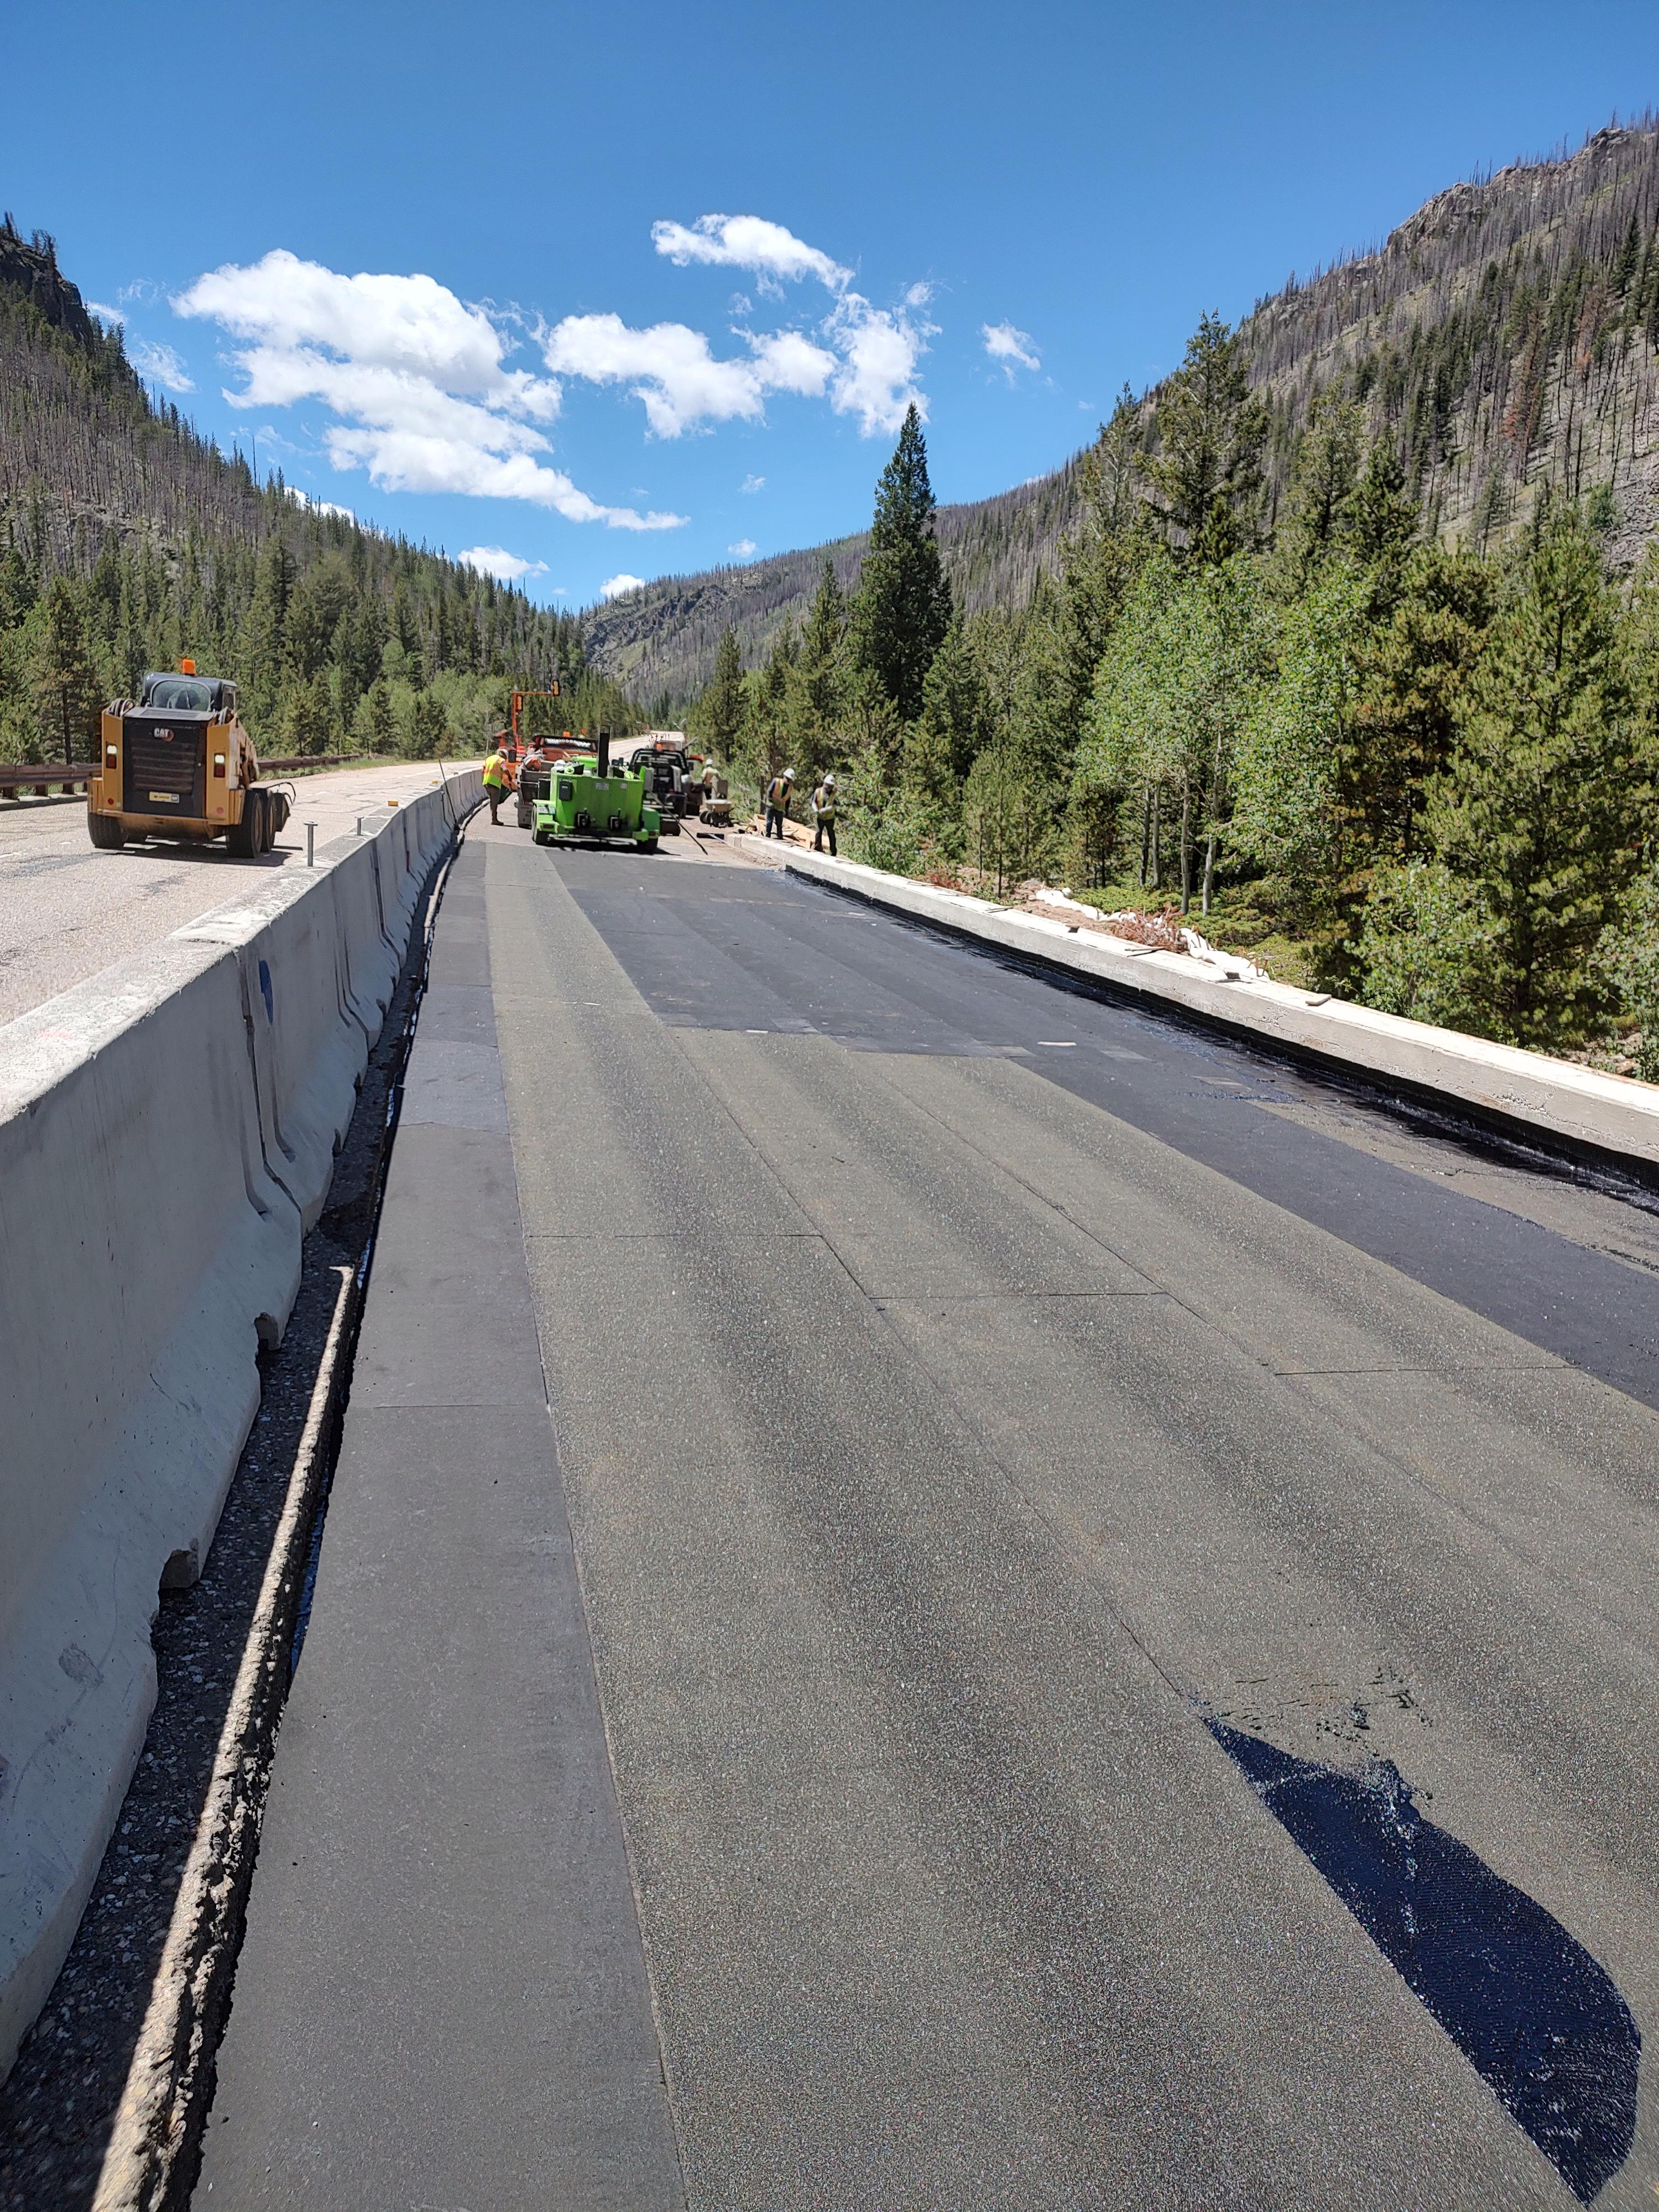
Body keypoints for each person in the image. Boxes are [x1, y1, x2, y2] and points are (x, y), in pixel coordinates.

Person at [483, 740, 513, 825]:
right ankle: (494, 820)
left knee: (492, 801)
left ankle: (494, 818)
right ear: (504, 756)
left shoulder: (489, 758)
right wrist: (510, 777)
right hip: (494, 784)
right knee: (495, 802)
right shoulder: (501, 761)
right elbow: (505, 769)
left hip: (486, 782)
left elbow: (483, 770)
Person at [811, 771, 838, 856]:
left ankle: (833, 851)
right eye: (827, 785)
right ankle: (818, 847)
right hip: (820, 817)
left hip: (830, 818)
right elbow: (813, 802)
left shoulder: (834, 794)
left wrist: (825, 810)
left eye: (830, 786)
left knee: (831, 834)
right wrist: (815, 809)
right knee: (819, 832)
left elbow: (834, 806)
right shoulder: (818, 791)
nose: (827, 787)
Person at [764, 766, 795, 839]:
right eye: (787, 778)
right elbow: (769, 792)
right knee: (769, 823)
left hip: (780, 808)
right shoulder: (777, 781)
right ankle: (767, 837)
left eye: (789, 779)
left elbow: (788, 800)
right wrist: (770, 801)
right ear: (784, 777)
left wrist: (787, 810)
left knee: (779, 825)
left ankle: (780, 839)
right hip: (771, 806)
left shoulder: (790, 788)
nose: (788, 780)